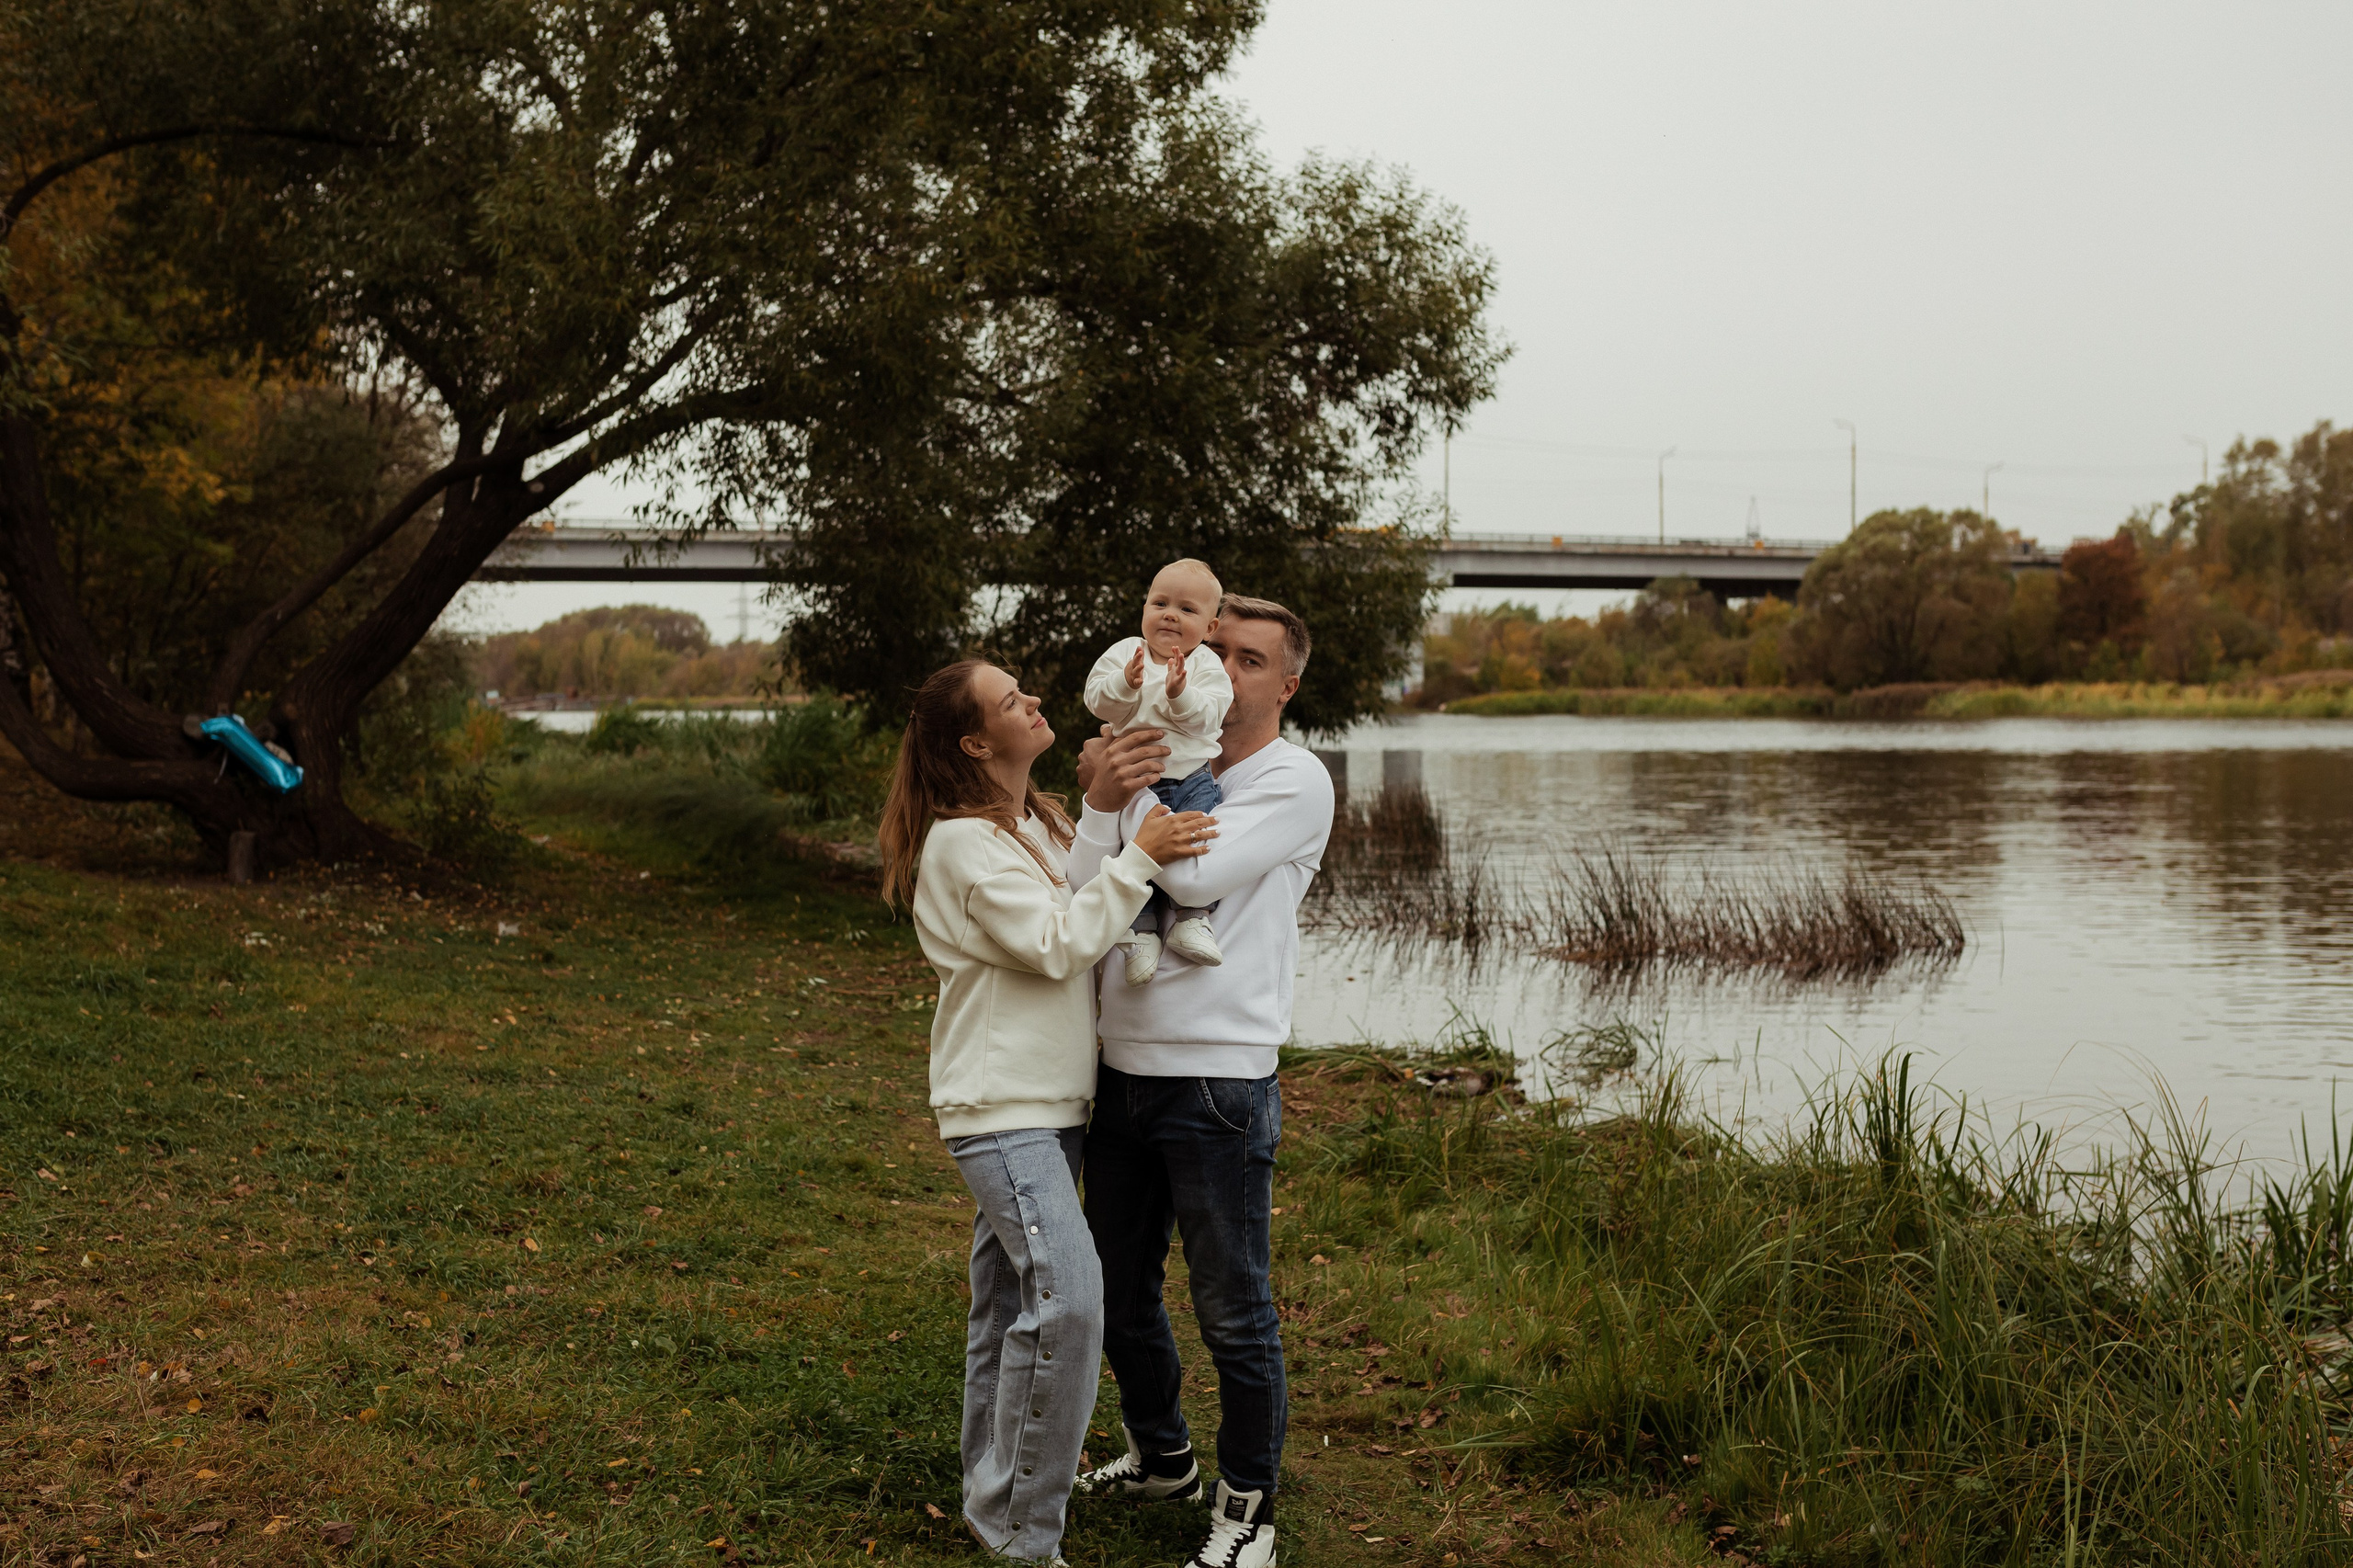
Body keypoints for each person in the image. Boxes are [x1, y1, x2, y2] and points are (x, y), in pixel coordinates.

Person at [878, 660, 1217, 1565]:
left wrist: (1109, 814)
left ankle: (994, 1500)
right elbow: (1060, 942)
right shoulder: (960, 844)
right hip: (1001, 1105)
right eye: (1009, 701)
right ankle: (1025, 1536)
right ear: (975, 742)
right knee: (1070, 1303)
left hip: (1057, 1099)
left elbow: (1088, 906)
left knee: (1007, 1307)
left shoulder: (1040, 820)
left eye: (1025, 689)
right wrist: (1143, 850)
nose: (1033, 701)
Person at [1067, 597, 1333, 1568]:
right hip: (1117, 1067)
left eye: (1250, 658)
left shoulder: (1292, 778)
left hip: (1217, 1080)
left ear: (1285, 685)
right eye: (1215, 646)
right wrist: (1111, 789)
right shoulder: (1158, 753)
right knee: (1114, 1293)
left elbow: (1183, 879)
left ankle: (1248, 1516)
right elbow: (1087, 891)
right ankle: (1161, 1456)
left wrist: (1119, 775)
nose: (1220, 665)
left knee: (1233, 1309)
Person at [1082, 558, 1235, 983]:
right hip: (1134, 782)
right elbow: (1096, 700)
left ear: (1209, 629)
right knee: (1133, 855)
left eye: (1187, 610)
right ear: (1144, 608)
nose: (1170, 614)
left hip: (1190, 779)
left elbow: (1209, 717)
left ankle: (1192, 918)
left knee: (1198, 842)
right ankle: (1141, 933)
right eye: (1160, 603)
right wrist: (1125, 684)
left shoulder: (1205, 666)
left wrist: (1179, 693)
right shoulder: (1124, 652)